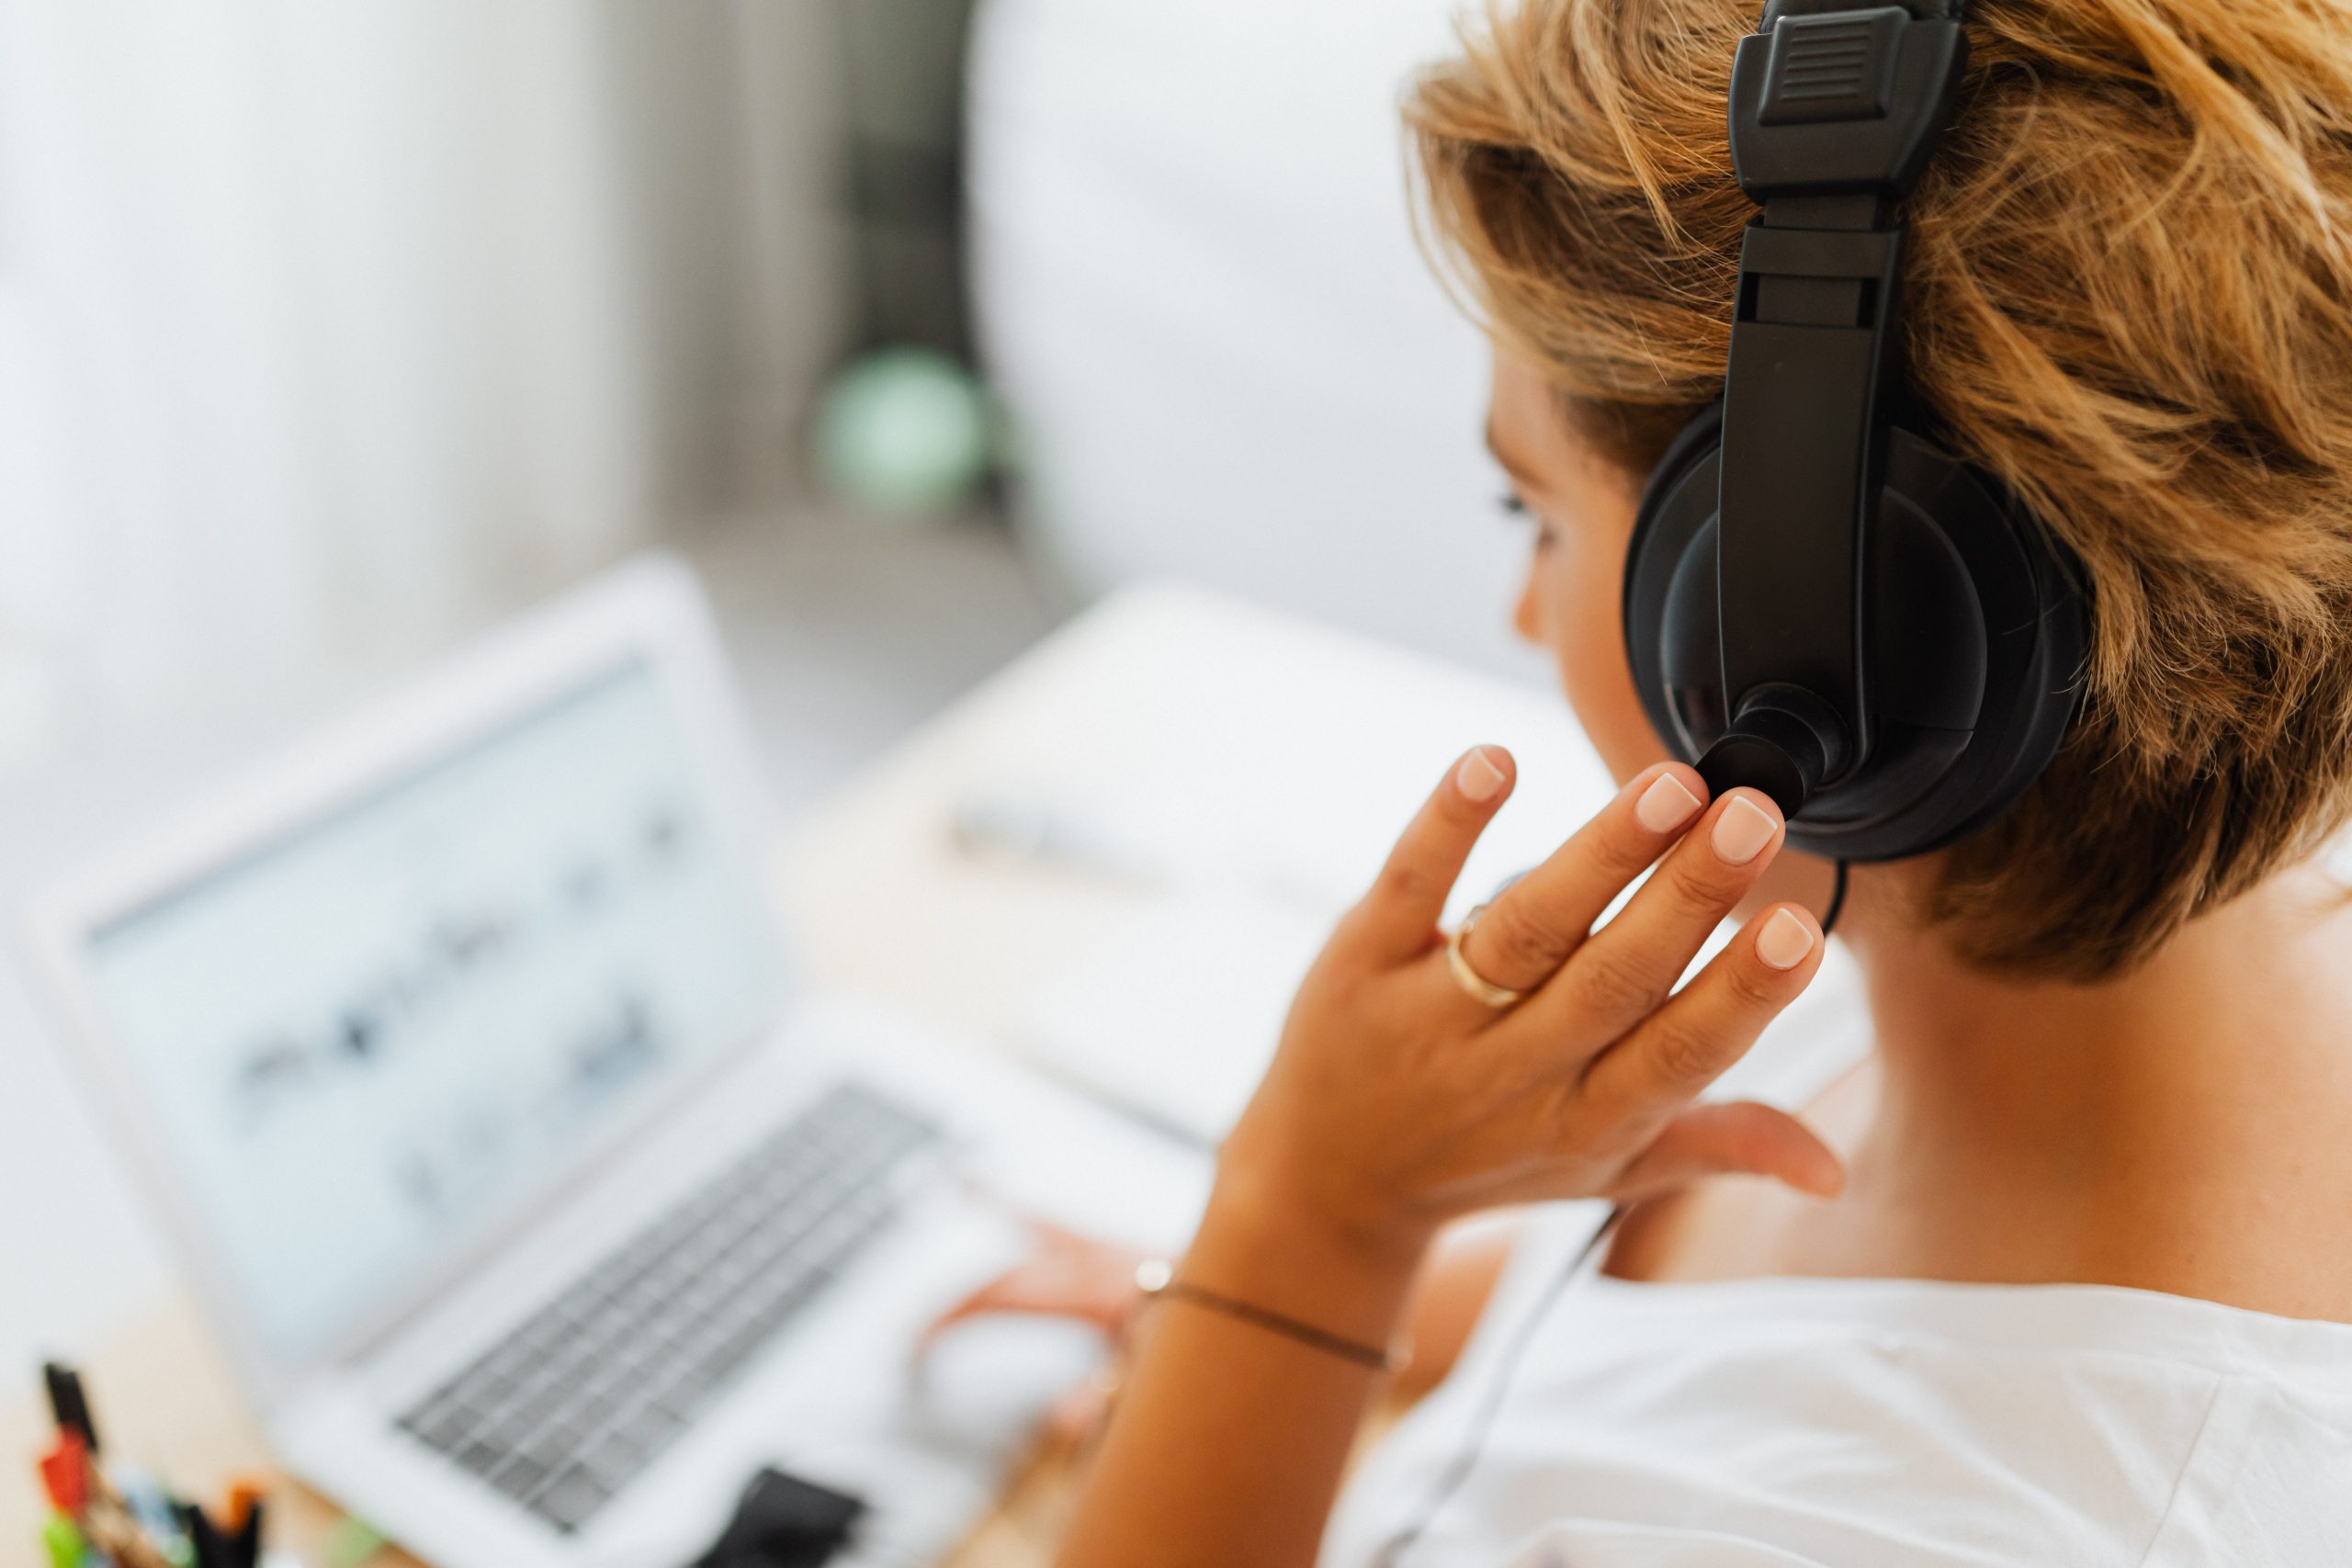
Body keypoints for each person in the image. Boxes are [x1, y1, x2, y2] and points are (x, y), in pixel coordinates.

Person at [931, 0, 2352, 1561]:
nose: (1526, 612)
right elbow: (1718, 1292)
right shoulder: (2023, 945)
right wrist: (1253, 1315)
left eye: (1529, 510)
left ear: (1824, 618)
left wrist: (1305, 1229)